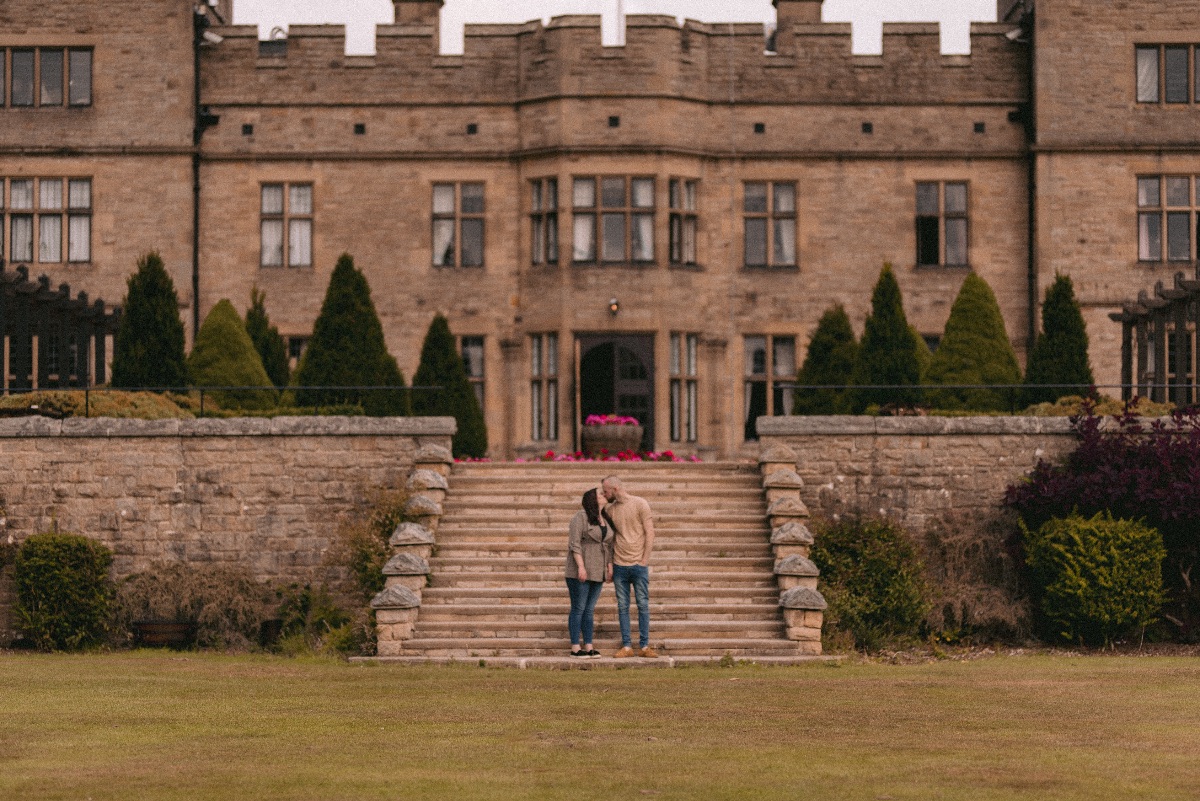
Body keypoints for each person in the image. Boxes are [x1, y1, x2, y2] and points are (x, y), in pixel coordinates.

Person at [601, 474, 658, 658]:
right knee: (623, 606)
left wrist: (644, 560)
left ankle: (644, 645)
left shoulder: (640, 503)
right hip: (619, 564)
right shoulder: (610, 510)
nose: (604, 494)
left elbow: (650, 532)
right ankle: (627, 646)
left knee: (643, 605)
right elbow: (608, 540)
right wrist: (610, 564)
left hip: (638, 563)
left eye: (606, 491)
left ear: (615, 489)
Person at [565, 487, 613, 658]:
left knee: (590, 609)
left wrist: (609, 566)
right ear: (593, 499)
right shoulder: (581, 516)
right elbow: (575, 543)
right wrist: (581, 566)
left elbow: (608, 544)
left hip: (598, 569)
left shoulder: (605, 519)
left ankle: (589, 645)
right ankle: (575, 647)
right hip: (580, 569)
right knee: (578, 607)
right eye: (601, 494)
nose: (604, 495)